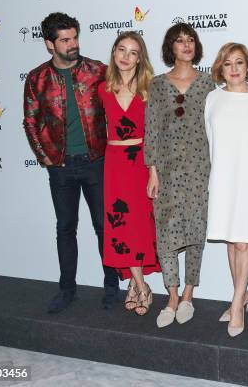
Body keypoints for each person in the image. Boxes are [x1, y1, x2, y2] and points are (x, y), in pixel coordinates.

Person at [23, 12, 119, 314]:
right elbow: (30, 121)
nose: (72, 43)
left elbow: (119, 107)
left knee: (104, 227)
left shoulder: (98, 71)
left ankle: (112, 287)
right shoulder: (37, 78)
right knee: (65, 227)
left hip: (97, 162)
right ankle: (67, 289)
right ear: (49, 44)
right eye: (65, 39)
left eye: (75, 37)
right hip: (61, 167)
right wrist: (47, 158)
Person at [145, 23, 214, 328]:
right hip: (168, 171)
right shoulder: (158, 85)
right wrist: (152, 171)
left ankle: (188, 294)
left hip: (201, 170)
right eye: (179, 41)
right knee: (167, 234)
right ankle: (171, 296)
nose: (185, 45)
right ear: (170, 48)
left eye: (190, 40)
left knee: (196, 232)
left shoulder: (210, 84)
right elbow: (151, 130)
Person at [204, 43, 248, 337]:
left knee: (244, 242)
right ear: (221, 68)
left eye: (239, 63)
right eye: (228, 63)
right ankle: (241, 296)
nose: (233, 68)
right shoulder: (212, 99)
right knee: (232, 242)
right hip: (222, 179)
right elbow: (211, 140)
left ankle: (236, 303)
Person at [99, 31, 161, 316]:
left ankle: (137, 286)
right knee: (121, 226)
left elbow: (155, 135)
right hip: (114, 163)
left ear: (140, 57)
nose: (125, 56)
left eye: (132, 52)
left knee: (138, 226)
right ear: (114, 53)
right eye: (121, 50)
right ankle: (140, 285)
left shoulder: (150, 88)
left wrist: (154, 172)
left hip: (141, 163)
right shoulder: (102, 88)